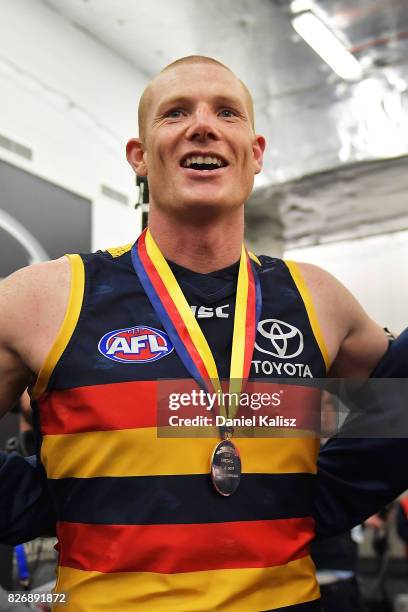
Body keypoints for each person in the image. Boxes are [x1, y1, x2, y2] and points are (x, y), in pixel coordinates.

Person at [0, 55, 402, 611]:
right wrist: (39, 499)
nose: (203, 124)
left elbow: (394, 422)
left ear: (254, 154)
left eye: (227, 112)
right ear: (139, 158)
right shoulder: (42, 298)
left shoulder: (320, 299)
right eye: (176, 112)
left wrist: (324, 496)